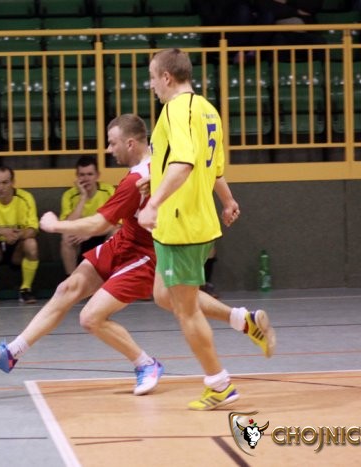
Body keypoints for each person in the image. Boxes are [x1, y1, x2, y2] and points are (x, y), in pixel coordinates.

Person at [0, 114, 275, 397]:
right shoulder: (162, 158)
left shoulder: (136, 180)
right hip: (123, 241)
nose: (109, 149)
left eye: (112, 142)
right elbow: (204, 170)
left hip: (145, 254)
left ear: (130, 143)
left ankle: (146, 364)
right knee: (69, 288)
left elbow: (98, 224)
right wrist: (227, 200)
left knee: (92, 317)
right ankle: (11, 353)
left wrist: (55, 225)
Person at [138, 48, 252, 410]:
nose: (151, 85)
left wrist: (153, 203)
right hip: (193, 219)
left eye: (153, 77)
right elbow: (211, 166)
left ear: (167, 77)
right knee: (164, 295)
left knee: (185, 310)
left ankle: (219, 384)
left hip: (180, 222)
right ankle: (240, 319)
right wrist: (228, 200)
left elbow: (186, 163)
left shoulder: (176, 109)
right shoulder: (207, 109)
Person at [0, 166, 40, 305]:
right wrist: (4, 232)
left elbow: (33, 229)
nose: (1, 187)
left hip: (17, 246)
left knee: (31, 243)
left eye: (5, 182)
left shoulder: (26, 198)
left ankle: (25, 289)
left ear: (13, 182)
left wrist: (18, 235)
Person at [59, 155, 116, 276]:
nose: (86, 179)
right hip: (80, 237)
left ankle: (108, 276)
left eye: (90, 174)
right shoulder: (69, 195)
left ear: (97, 175)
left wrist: (91, 233)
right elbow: (67, 226)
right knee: (66, 237)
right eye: (82, 175)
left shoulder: (108, 191)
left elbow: (115, 222)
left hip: (101, 234)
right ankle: (72, 279)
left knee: (116, 232)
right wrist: (83, 197)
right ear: (77, 176)